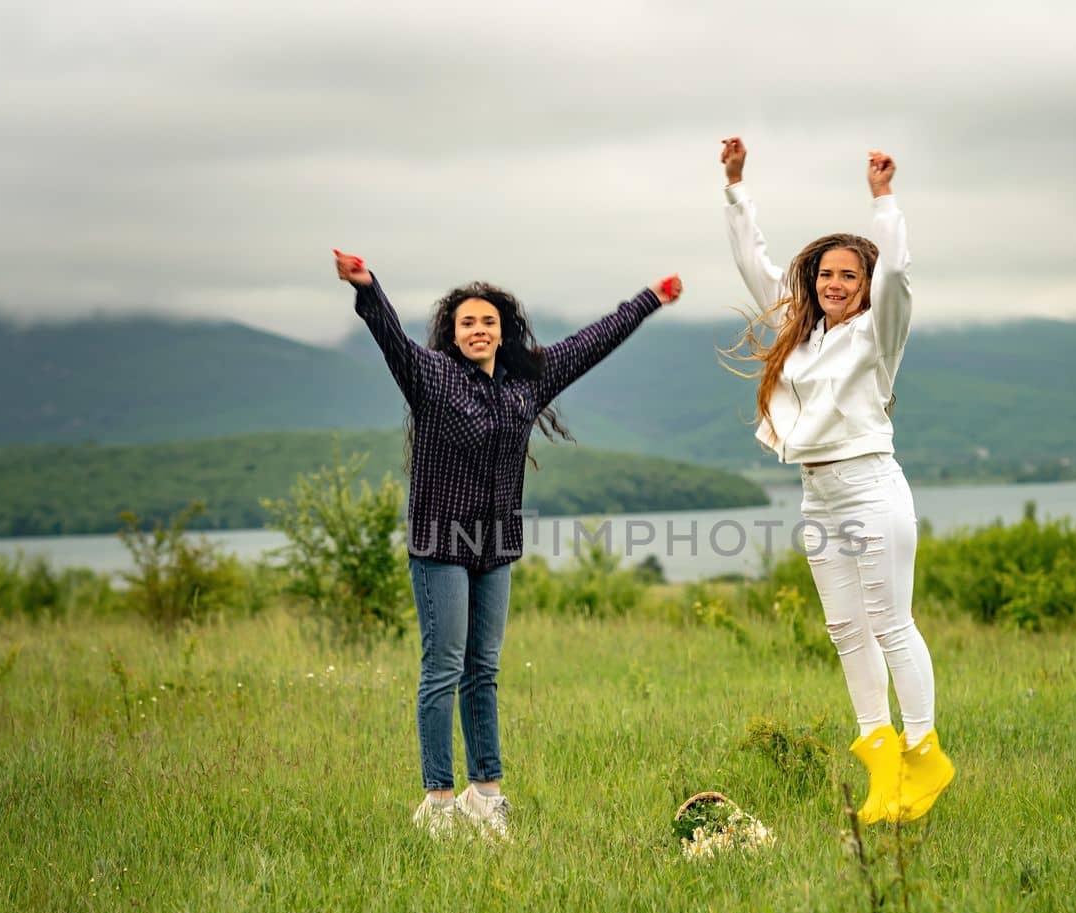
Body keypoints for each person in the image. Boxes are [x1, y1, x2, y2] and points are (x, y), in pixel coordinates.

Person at [334, 248, 682, 838]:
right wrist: (368, 287)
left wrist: (649, 299)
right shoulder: (432, 376)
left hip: (494, 546)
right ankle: (439, 803)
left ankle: (486, 794)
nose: (478, 329)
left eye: (488, 321)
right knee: (443, 667)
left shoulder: (527, 381)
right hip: (440, 543)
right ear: (453, 331)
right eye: (467, 321)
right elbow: (391, 338)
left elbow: (591, 342)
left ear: (503, 331)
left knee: (484, 668)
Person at [717, 136, 953, 824]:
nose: (835, 283)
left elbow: (899, 277)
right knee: (846, 629)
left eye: (848, 275)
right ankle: (882, 761)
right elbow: (753, 267)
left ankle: (923, 750)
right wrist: (736, 188)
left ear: (864, 281)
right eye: (826, 274)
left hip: (871, 486)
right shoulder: (802, 331)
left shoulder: (879, 333)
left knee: (889, 622)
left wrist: (883, 200)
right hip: (818, 492)